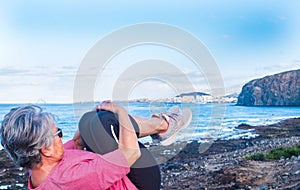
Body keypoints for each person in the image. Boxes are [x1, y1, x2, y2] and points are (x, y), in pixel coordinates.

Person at [0, 101, 192, 190]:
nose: (61, 138)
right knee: (109, 119)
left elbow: (77, 142)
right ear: (46, 148)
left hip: (119, 170)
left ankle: (161, 126)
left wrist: (91, 117)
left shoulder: (40, 165)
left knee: (91, 120)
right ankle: (163, 125)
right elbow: (130, 154)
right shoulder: (68, 180)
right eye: (58, 134)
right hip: (139, 182)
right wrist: (121, 112)